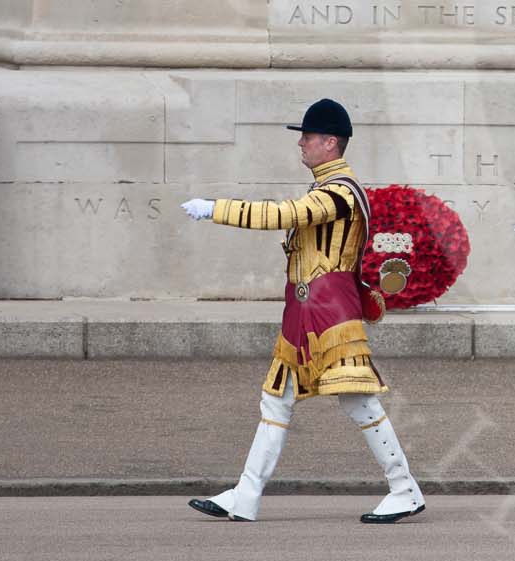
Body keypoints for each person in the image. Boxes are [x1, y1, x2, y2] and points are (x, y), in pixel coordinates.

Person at [181, 99, 424, 523]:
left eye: (308, 137)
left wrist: (216, 209)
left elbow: (285, 215)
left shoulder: (340, 192)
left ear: (331, 143)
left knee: (359, 403)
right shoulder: (328, 189)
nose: (301, 144)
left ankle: (404, 489)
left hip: (330, 316)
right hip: (305, 313)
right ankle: (246, 494)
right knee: (275, 402)